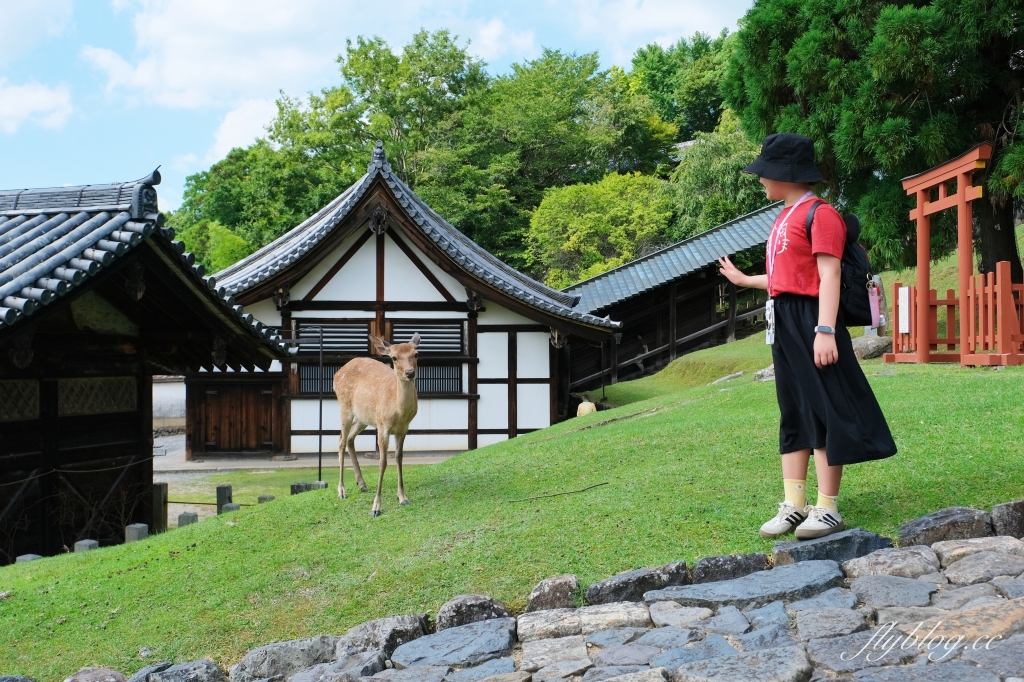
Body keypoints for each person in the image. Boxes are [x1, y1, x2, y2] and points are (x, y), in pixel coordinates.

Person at [717, 133, 897, 540]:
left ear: (786, 174)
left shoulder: (822, 215)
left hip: (814, 319)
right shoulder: (784, 215)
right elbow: (787, 278)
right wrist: (745, 279)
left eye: (765, 173)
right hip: (784, 319)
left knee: (825, 409)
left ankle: (827, 507)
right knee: (795, 408)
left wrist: (826, 331)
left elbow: (828, 275)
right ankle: (794, 504)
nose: (761, 180)